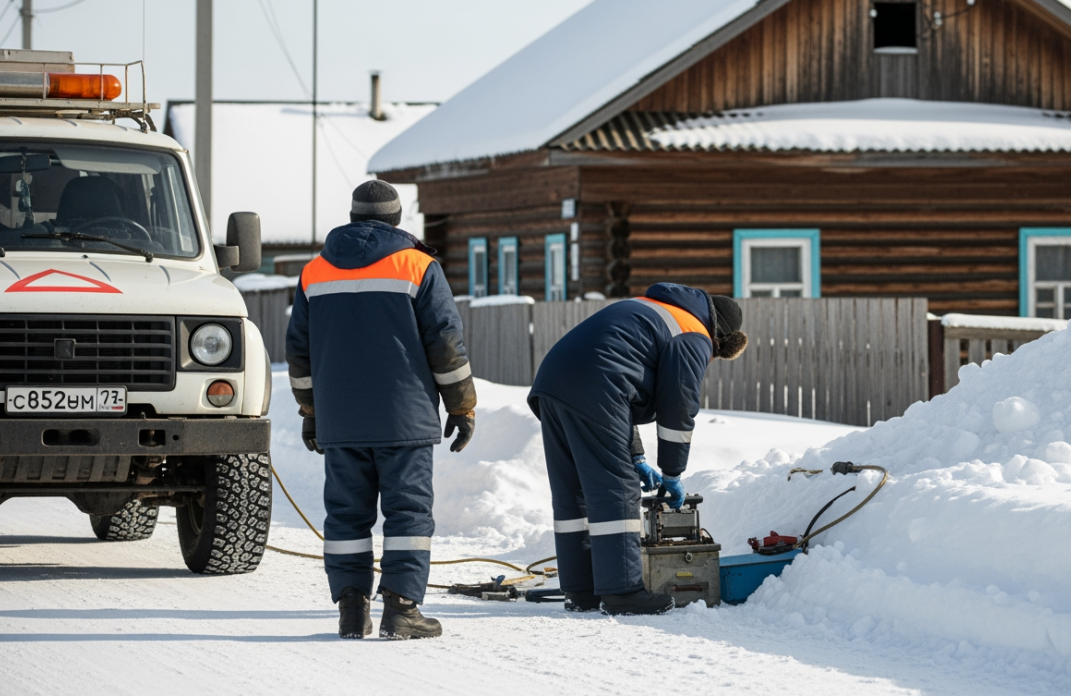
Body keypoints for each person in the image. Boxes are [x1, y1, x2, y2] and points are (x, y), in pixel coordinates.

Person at [285, 180, 476, 640]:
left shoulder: (315, 272)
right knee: (407, 513)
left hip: (342, 421)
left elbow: (299, 353)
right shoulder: (417, 266)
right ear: (396, 220)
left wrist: (312, 411)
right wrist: (462, 406)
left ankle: (352, 611)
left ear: (351, 218)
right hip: (403, 419)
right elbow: (445, 343)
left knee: (347, 516)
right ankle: (402, 610)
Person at [527, 283, 746, 615]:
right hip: (596, 387)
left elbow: (618, 377)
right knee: (617, 488)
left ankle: (582, 590)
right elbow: (678, 406)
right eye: (713, 357)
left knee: (575, 493)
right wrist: (672, 474)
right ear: (720, 341)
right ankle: (622, 592)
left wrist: (637, 456)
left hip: (553, 384)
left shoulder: (653, 309)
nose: (708, 360)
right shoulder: (694, 334)